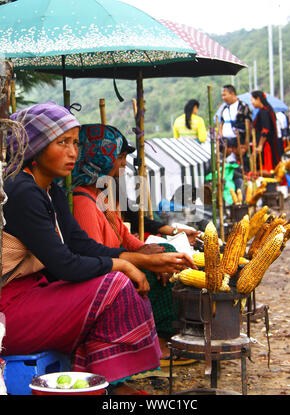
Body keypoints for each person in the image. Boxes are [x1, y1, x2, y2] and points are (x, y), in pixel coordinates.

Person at [0, 102, 195, 395]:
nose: (73, 152)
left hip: (33, 294)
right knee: (114, 284)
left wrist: (143, 260)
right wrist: (125, 265)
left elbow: (80, 244)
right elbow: (64, 264)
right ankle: (107, 383)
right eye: (62, 142)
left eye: (76, 143)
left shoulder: (50, 188)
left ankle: (106, 383)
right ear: (36, 146)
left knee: (118, 281)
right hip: (7, 311)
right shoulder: (21, 190)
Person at [72, 124, 198, 364]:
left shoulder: (102, 195)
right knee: (153, 272)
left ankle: (165, 334)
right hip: (104, 274)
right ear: (101, 158)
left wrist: (145, 249)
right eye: (118, 158)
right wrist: (144, 260)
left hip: (120, 259)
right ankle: (155, 341)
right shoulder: (82, 202)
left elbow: (123, 235)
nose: (122, 164)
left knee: (167, 253)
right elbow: (95, 256)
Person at [250, 90, 281, 173]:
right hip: (266, 144)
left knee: (266, 169)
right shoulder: (267, 110)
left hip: (265, 145)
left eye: (252, 100)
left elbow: (265, 129)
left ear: (258, 99)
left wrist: (260, 145)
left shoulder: (264, 112)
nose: (251, 103)